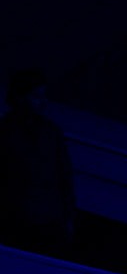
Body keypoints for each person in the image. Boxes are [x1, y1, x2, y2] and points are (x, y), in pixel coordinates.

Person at [0, 69, 76, 258]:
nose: (43, 102)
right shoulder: (6, 132)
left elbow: (64, 176)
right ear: (20, 97)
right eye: (36, 96)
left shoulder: (51, 132)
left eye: (43, 96)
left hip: (46, 220)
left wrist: (67, 217)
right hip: (16, 218)